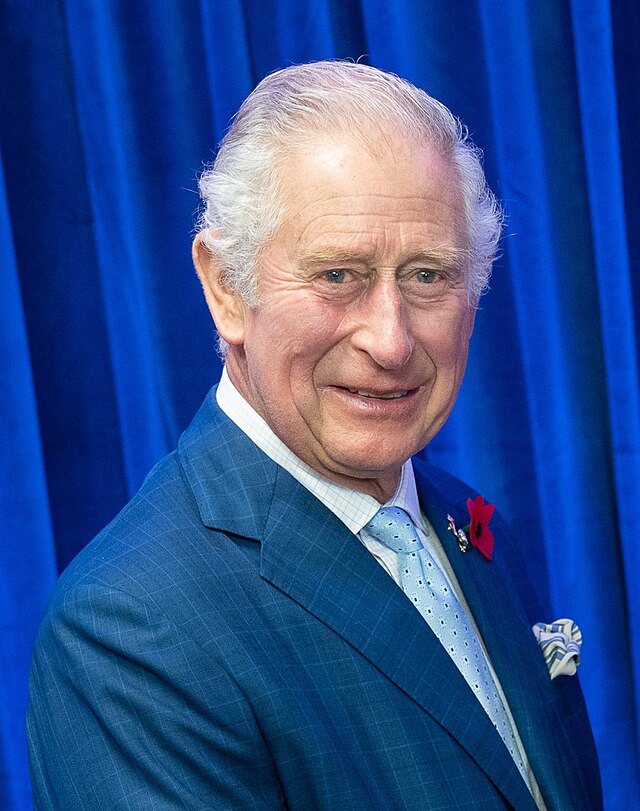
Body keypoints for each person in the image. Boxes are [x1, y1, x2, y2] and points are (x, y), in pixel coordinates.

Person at [27, 61, 602, 810]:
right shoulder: (131, 629)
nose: (391, 341)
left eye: (428, 275)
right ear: (226, 288)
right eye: (338, 275)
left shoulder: (466, 523)